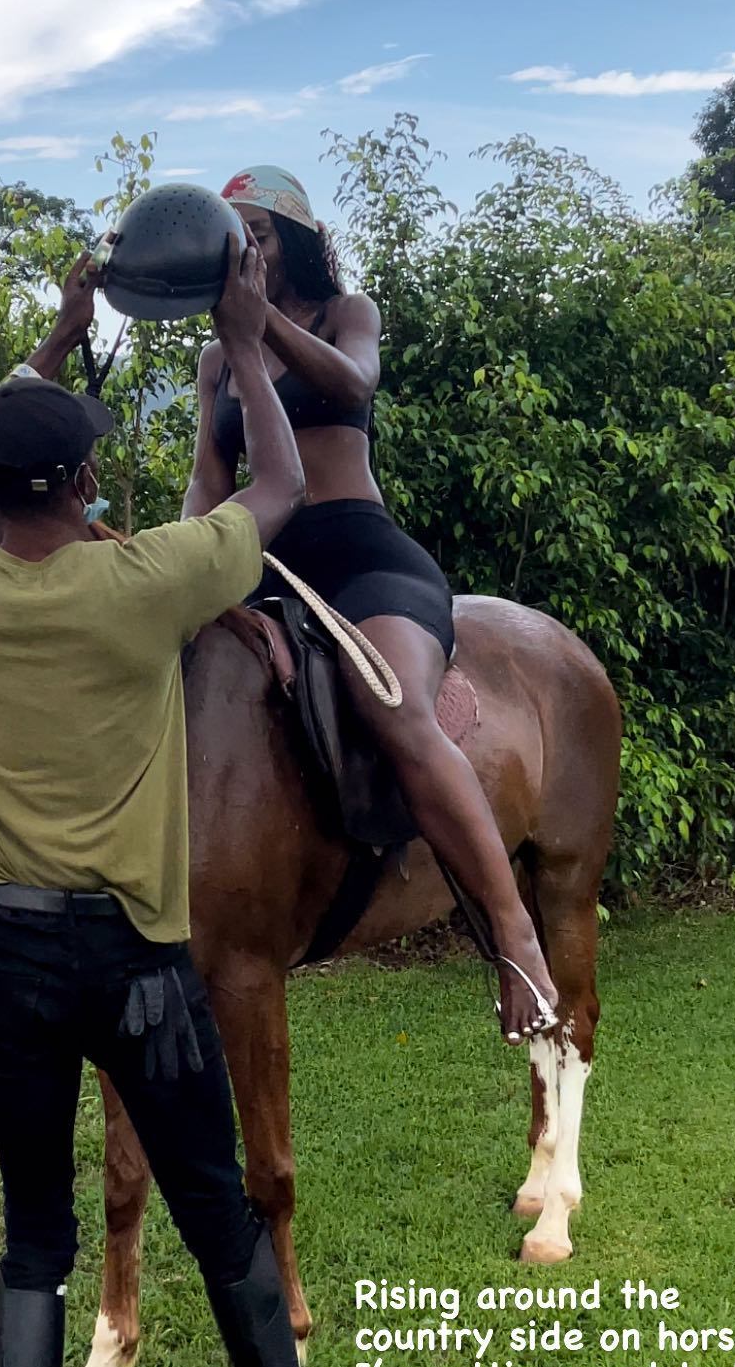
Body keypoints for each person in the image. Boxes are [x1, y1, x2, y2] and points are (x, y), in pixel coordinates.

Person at [0, 237, 344, 1367]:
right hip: (142, 965)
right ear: (86, 482)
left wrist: (52, 337)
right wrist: (247, 339)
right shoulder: (146, 580)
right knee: (217, 1210)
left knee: (33, 1238)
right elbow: (279, 490)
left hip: (9, 961)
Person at [184, 165, 559, 1045]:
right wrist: (181, 566)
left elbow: (355, 385)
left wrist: (258, 323)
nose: (246, 253)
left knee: (390, 702)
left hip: (361, 554)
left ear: (294, 241)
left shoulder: (346, 315)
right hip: (262, 562)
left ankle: (513, 935)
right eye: (233, 241)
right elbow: (210, 480)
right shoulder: (215, 361)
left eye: (258, 236)